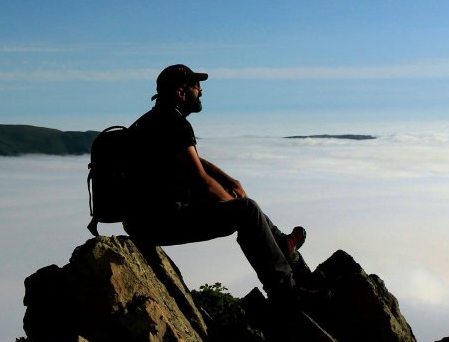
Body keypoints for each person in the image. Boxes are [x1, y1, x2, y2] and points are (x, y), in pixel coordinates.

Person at [123, 64, 321, 305]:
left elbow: (195, 161)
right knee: (248, 211)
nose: (201, 91)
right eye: (196, 85)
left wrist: (230, 181)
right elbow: (200, 179)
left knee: (247, 209)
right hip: (159, 221)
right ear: (180, 92)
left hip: (146, 218)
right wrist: (236, 204)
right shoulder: (173, 123)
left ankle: (283, 244)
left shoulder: (154, 120)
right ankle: (286, 291)